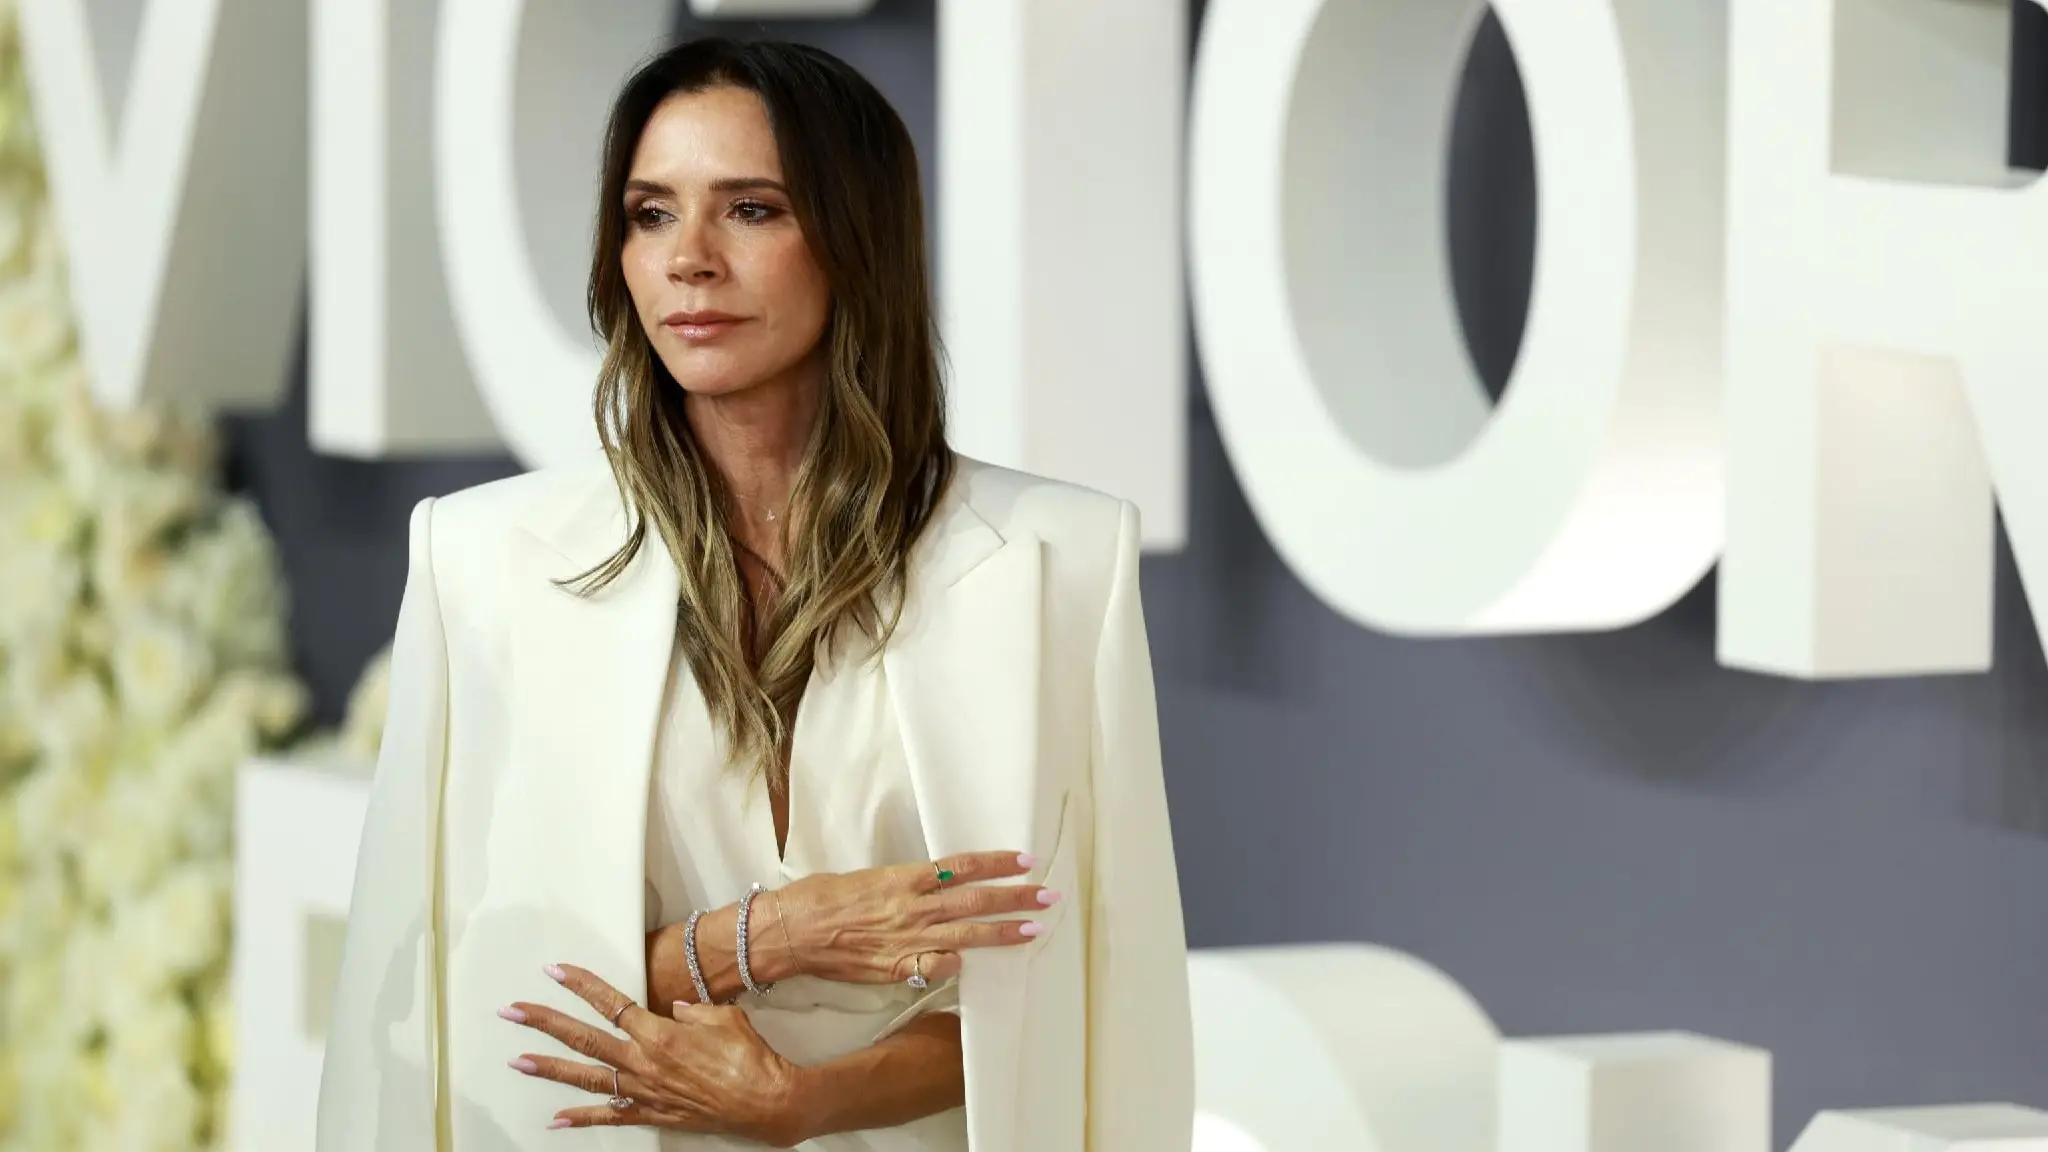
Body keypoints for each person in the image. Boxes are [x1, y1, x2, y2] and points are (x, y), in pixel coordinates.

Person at [313, 36, 1193, 1152]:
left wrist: (801, 1102)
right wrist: (773, 936)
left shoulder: (1060, 562)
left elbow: (1080, 1002)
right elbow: (451, 995)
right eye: (649, 214)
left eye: (750, 210)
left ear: (857, 239)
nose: (688, 258)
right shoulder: (482, 561)